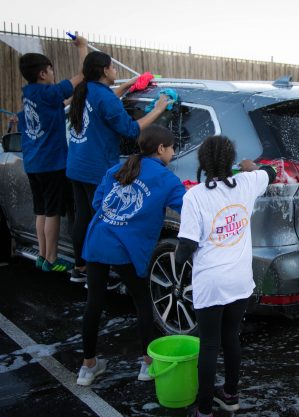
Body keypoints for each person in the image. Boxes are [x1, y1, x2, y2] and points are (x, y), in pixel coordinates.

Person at [76, 125, 185, 386]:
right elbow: (190, 207)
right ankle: (147, 364)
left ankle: (87, 367)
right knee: (142, 302)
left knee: (94, 303)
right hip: (127, 248)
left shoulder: (117, 168)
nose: (172, 152)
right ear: (161, 149)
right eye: (171, 148)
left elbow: (97, 203)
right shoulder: (166, 179)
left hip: (98, 242)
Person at [175, 136, 276, 417]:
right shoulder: (247, 183)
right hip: (240, 279)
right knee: (231, 337)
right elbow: (272, 172)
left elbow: (186, 248)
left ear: (202, 162)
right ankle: (231, 394)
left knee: (209, 343)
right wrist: (250, 167)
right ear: (230, 161)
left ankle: (204, 409)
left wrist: (176, 258)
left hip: (211, 282)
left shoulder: (194, 196)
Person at [67, 51, 170, 283]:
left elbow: (107, 103)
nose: (116, 71)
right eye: (113, 67)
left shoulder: (86, 91)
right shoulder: (105, 99)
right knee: (104, 221)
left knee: (83, 217)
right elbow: (132, 130)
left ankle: (80, 268)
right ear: (105, 70)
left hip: (76, 164)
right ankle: (100, 272)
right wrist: (158, 110)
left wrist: (128, 86)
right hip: (97, 169)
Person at [17, 34, 88, 273]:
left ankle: (41, 255)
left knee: (41, 212)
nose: (53, 73)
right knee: (53, 213)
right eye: (51, 69)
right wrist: (83, 47)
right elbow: (83, 76)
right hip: (52, 164)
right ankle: (52, 259)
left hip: (33, 164)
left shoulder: (29, 95)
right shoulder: (47, 94)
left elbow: (63, 100)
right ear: (43, 74)